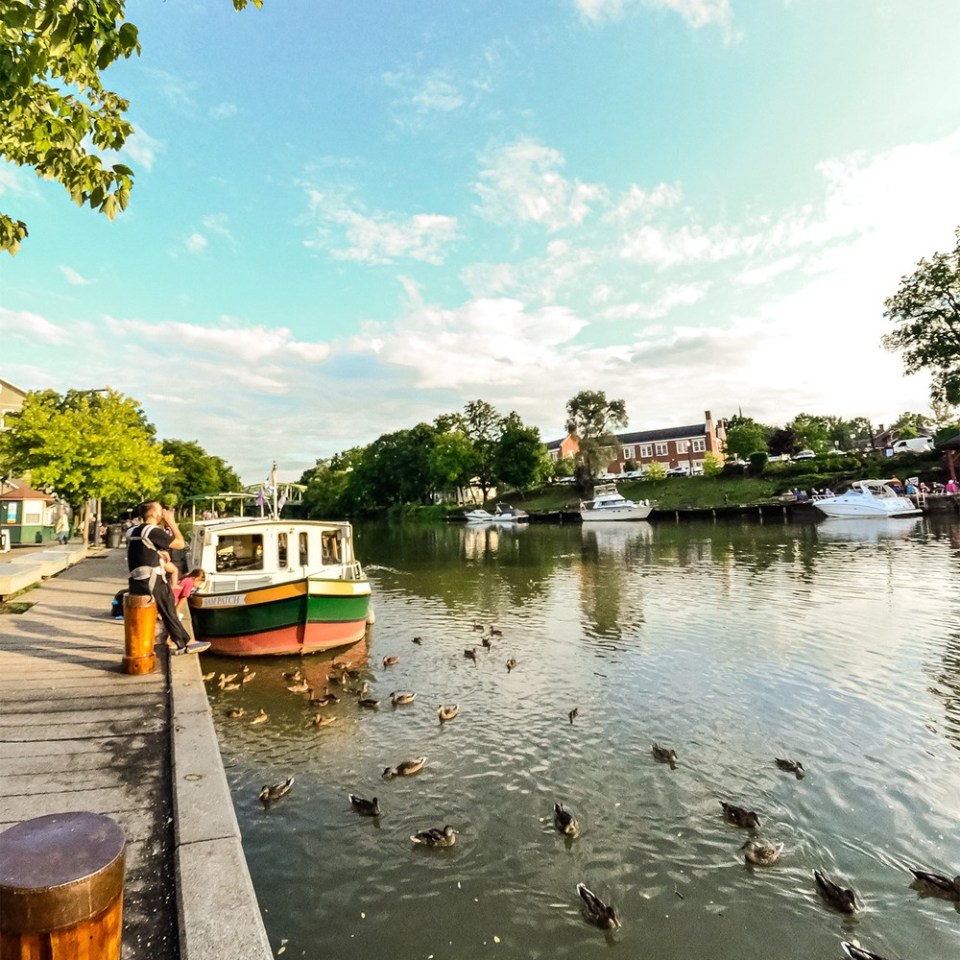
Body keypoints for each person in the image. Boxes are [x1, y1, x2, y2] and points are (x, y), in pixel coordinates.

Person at [126, 501, 209, 655]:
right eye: (160, 510)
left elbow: (140, 552)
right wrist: (171, 522)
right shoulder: (153, 531)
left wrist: (158, 553)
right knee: (169, 611)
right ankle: (186, 642)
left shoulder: (132, 531)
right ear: (152, 513)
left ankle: (179, 641)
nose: (163, 512)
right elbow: (180, 543)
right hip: (153, 580)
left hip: (137, 580)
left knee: (165, 611)